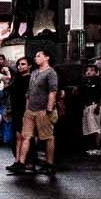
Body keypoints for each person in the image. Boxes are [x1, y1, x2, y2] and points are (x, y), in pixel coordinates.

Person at [9, 48, 59, 176]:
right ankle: (21, 163)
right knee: (26, 136)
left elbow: (53, 91)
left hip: (43, 110)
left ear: (46, 58)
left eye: (39, 56)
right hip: (30, 110)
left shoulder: (50, 73)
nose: (36, 58)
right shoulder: (35, 73)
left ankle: (50, 164)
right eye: (36, 56)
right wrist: (27, 109)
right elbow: (29, 93)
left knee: (48, 137)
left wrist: (49, 108)